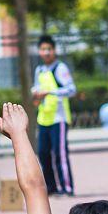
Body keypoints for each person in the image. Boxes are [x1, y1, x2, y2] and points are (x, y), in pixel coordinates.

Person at [32, 35, 77, 196]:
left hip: (59, 118)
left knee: (60, 154)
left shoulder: (60, 68)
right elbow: (36, 89)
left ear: (54, 50)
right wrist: (36, 95)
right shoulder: (39, 70)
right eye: (43, 49)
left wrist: (50, 92)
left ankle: (67, 187)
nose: (46, 52)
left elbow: (71, 89)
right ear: (39, 51)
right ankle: (51, 187)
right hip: (44, 118)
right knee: (43, 153)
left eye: (49, 49)